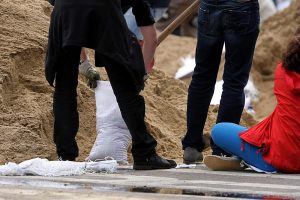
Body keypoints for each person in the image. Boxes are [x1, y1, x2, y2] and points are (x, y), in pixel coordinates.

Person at [45, 0, 176, 170]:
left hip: (64, 12)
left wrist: (83, 62)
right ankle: (145, 154)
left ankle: (65, 156)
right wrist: (139, 74)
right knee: (125, 88)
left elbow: (75, 23)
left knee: (64, 88)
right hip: (104, 12)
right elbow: (150, 38)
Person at [204, 27, 300, 173]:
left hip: (280, 158)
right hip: (286, 149)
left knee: (219, 130)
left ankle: (249, 159)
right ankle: (243, 158)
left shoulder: (282, 72)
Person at [181, 0, 260, 164]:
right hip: (242, 7)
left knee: (202, 76)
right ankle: (222, 148)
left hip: (210, 6)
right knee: (234, 81)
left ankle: (191, 145)